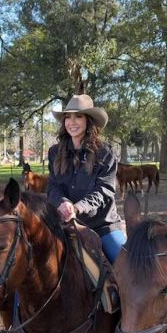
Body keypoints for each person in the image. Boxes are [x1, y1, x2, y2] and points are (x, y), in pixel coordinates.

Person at [47, 94, 126, 264]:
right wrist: (62, 202)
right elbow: (53, 186)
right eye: (68, 117)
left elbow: (104, 190)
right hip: (65, 225)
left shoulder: (105, 153)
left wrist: (77, 208)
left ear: (88, 120)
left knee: (128, 267)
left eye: (78, 116)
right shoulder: (55, 152)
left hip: (102, 226)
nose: (72, 122)